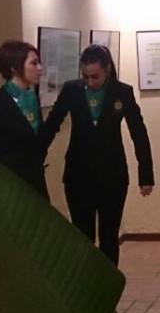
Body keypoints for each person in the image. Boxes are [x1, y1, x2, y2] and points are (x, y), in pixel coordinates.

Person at [43, 44, 154, 265]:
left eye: (95, 77)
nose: (90, 82)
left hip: (112, 174)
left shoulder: (122, 92)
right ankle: (87, 281)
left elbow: (138, 133)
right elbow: (52, 124)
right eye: (85, 76)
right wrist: (35, 156)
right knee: (82, 236)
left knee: (109, 235)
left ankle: (108, 282)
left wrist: (146, 174)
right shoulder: (72, 90)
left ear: (107, 70)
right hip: (78, 174)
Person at [0, 40, 50, 200]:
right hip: (9, 191)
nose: (40, 69)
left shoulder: (33, 99)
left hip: (36, 186)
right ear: (14, 68)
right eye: (34, 63)